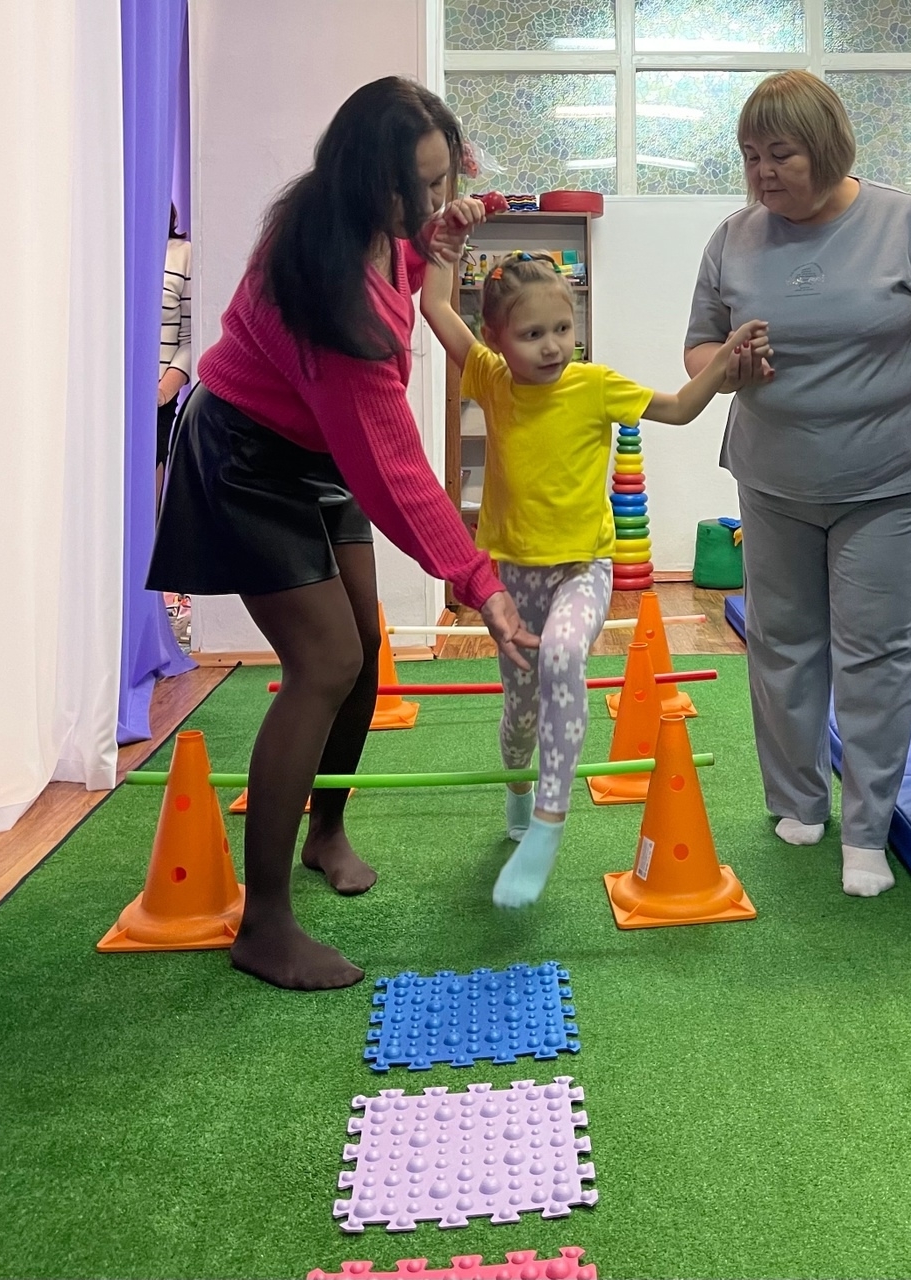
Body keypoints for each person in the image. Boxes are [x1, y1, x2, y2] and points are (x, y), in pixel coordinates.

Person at [147, 77, 537, 990]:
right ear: (366, 183)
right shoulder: (331, 297)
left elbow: (403, 263)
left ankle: (325, 831)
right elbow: (394, 471)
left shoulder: (366, 223)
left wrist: (436, 239)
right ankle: (264, 924)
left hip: (315, 444)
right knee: (323, 663)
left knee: (361, 645)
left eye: (442, 180)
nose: (432, 204)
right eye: (416, 190)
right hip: (247, 456)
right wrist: (479, 584)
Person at [683, 70, 911, 898]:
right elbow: (698, 346)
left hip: (887, 479)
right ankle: (797, 802)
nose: (762, 171)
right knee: (781, 641)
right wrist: (726, 365)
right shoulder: (733, 237)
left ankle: (866, 828)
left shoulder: (906, 224)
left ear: (826, 148)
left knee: (877, 650)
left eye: (780, 154)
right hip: (773, 476)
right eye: (749, 155)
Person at [421, 246, 770, 907]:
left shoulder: (595, 385)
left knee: (561, 657)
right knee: (519, 716)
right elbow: (435, 304)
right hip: (512, 578)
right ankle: (519, 789)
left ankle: (549, 821)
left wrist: (723, 360)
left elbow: (678, 408)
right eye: (532, 334)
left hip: (584, 568)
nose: (553, 345)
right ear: (495, 337)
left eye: (562, 328)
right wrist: (443, 238)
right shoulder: (490, 378)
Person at [156, 204, 192, 510]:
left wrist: (162, 393)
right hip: (100, 402)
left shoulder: (183, 254)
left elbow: (190, 339)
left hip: (156, 407)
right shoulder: (101, 253)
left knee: (146, 514)